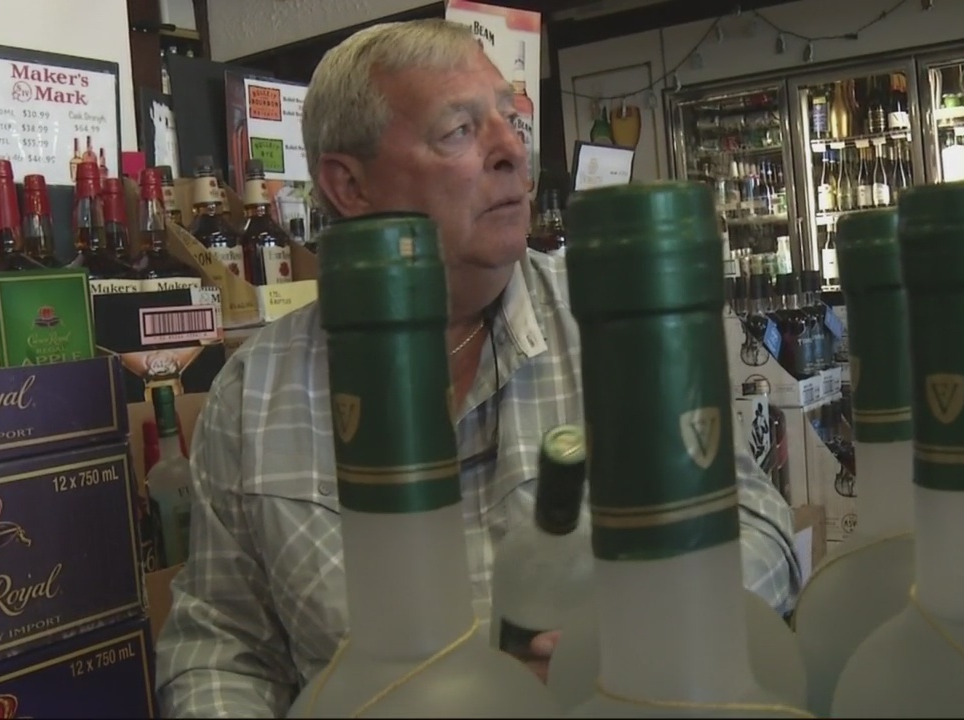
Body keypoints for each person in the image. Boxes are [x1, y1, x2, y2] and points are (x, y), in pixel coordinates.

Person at [154, 18, 801, 717]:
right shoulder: (254, 392)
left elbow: (761, 529)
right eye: (459, 131)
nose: (513, 153)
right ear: (349, 184)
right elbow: (220, 644)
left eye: (511, 122)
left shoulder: (616, 321)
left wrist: (649, 630)